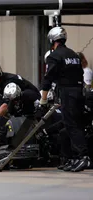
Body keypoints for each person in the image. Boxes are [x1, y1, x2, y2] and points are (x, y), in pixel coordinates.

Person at [40, 26, 90, 172]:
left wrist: (43, 100)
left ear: (52, 40)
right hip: (79, 92)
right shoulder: (74, 55)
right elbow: (79, 74)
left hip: (68, 94)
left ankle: (83, 157)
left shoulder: (54, 56)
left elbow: (47, 78)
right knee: (74, 125)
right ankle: (75, 158)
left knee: (72, 125)